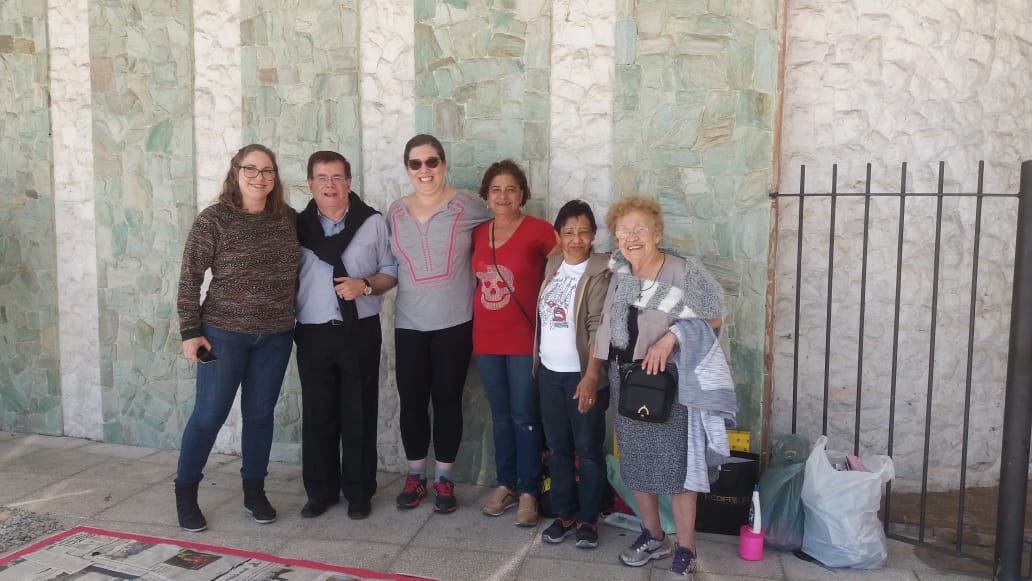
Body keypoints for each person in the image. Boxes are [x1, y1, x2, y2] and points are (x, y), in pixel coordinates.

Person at [594, 196, 736, 578]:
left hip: (667, 383)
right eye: (624, 231)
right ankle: (654, 536)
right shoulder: (620, 272)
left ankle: (686, 548)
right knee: (636, 463)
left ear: (657, 233)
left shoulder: (681, 270)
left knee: (677, 467)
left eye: (640, 229)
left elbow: (714, 316)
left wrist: (671, 338)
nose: (632, 237)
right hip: (625, 378)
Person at [174, 144, 300, 532]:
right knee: (209, 414)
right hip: (223, 335)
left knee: (260, 415)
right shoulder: (213, 220)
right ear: (235, 172)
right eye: (251, 169)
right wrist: (190, 331)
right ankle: (186, 494)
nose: (259, 177)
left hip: (276, 335)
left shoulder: (289, 220)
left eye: (267, 170)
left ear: (275, 176)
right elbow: (190, 277)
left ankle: (254, 491)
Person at [387, 134, 491, 513]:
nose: (424, 170)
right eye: (415, 163)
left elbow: (503, 228)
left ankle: (444, 480)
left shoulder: (468, 205)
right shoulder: (395, 212)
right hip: (409, 323)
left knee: (447, 401)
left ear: (443, 164)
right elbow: (387, 263)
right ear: (407, 169)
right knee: (412, 402)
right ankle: (416, 477)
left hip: (454, 322)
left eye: (431, 162)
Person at [294, 151, 398, 521]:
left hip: (360, 330)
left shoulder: (372, 222)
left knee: (359, 411)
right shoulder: (297, 226)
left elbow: (390, 271)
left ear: (349, 182)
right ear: (310, 184)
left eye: (337, 177)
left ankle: (358, 491)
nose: (330, 185)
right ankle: (320, 492)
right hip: (313, 332)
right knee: (318, 415)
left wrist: (365, 285)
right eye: (321, 178)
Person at [472, 160, 556, 527]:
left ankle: (529, 491)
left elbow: (569, 265)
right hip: (485, 338)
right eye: (496, 190)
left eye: (511, 189)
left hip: (524, 338)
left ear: (522, 194)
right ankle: (505, 484)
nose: (503, 196)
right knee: (501, 416)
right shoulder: (478, 233)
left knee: (525, 415)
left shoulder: (539, 230)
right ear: (486, 196)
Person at [534, 200, 610, 548]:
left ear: (593, 235)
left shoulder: (600, 271)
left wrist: (591, 377)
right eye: (568, 232)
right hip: (549, 374)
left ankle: (588, 520)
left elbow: (597, 327)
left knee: (588, 450)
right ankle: (564, 515)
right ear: (558, 235)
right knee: (558, 448)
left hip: (582, 377)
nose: (576, 239)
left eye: (583, 232)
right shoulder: (553, 264)